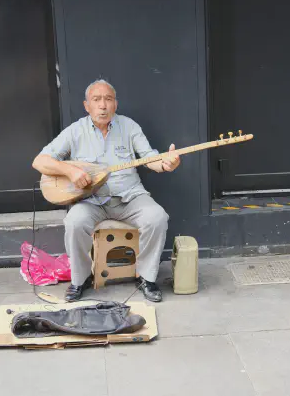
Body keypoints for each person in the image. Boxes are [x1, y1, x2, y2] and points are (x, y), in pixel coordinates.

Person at [32, 79, 180, 302]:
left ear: (115, 104)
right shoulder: (75, 131)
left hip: (130, 197)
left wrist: (165, 164)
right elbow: (40, 161)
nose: (103, 105)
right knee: (74, 222)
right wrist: (70, 171)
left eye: (108, 99)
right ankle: (80, 280)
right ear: (86, 105)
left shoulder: (129, 127)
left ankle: (147, 278)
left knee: (157, 217)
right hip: (91, 201)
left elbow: (149, 158)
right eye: (96, 100)